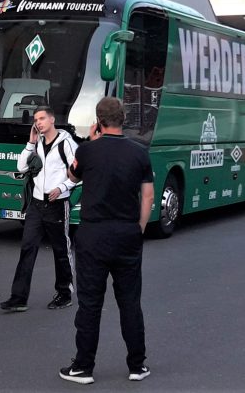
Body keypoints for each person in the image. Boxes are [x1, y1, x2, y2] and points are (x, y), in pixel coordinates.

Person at [59, 97, 155, 385]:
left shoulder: (87, 151)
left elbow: (71, 176)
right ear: (123, 119)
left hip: (93, 235)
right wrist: (138, 228)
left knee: (90, 304)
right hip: (126, 234)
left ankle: (83, 367)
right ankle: (137, 365)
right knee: (130, 302)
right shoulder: (140, 152)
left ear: (98, 121)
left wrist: (90, 142)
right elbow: (148, 195)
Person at [0, 106, 78, 312]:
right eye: (36, 119)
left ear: (52, 119)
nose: (39, 122)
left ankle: (64, 293)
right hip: (36, 204)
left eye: (42, 118)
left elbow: (79, 172)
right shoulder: (38, 143)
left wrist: (62, 188)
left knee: (61, 250)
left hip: (57, 204)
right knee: (27, 248)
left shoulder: (67, 143)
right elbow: (21, 167)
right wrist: (30, 143)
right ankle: (18, 298)